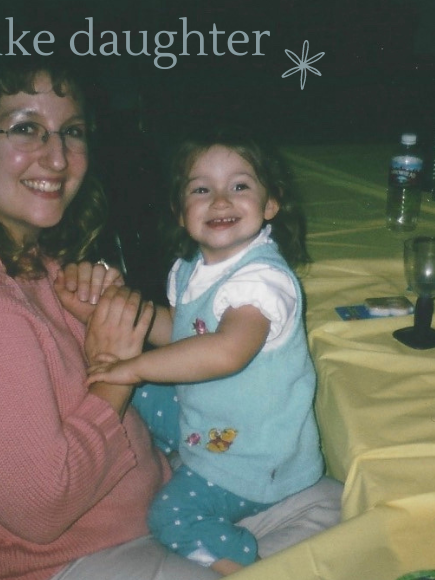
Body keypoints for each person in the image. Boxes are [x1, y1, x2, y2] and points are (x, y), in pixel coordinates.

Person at [0, 57, 224, 580]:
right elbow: (42, 507)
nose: (56, 158)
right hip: (52, 562)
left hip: (132, 503)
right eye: (26, 128)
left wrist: (92, 317)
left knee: (325, 499)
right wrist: (116, 367)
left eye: (71, 132)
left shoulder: (13, 247)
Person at [86, 127, 339, 575]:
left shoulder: (261, 281)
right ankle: (168, 450)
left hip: (257, 458)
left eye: (239, 186)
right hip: (214, 416)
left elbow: (225, 352)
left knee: (169, 518)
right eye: (202, 189)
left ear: (271, 204)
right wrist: (117, 310)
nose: (220, 201)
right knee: (140, 394)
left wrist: (134, 367)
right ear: (180, 211)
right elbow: (179, 331)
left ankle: (241, 562)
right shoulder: (190, 269)